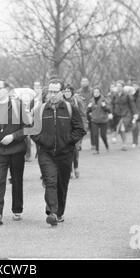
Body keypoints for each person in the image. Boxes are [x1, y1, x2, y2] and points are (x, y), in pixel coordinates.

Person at [31, 79, 86, 226]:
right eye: (50, 91)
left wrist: (68, 141)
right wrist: (43, 141)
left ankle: (59, 212)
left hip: (65, 153)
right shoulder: (41, 109)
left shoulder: (70, 108)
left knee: (62, 184)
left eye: (56, 91)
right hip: (46, 153)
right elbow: (32, 130)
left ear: (62, 92)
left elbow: (80, 129)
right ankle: (52, 213)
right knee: (50, 181)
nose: (52, 94)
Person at [0, 79, 30, 225]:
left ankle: (17, 209)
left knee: (16, 180)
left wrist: (13, 136)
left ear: (7, 90)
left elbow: (28, 127)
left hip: (16, 149)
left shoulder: (18, 106)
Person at [63, 84, 85, 178]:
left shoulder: (77, 101)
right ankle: (69, 171)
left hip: (76, 128)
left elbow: (83, 115)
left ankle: (76, 167)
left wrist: (83, 128)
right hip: (65, 129)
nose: (67, 93)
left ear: (72, 92)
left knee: (75, 149)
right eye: (65, 91)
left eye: (68, 91)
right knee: (67, 150)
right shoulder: (61, 102)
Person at [111, 80, 138, 151]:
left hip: (126, 114)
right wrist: (110, 113)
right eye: (117, 86)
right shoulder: (114, 95)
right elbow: (112, 104)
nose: (118, 88)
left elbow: (132, 105)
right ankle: (122, 142)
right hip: (117, 114)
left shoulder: (127, 95)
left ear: (123, 87)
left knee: (122, 126)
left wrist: (135, 113)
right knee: (121, 129)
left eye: (120, 86)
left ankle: (122, 143)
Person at [86, 87, 111, 154]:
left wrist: (104, 107)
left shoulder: (103, 100)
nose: (96, 93)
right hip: (94, 120)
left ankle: (107, 146)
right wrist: (88, 109)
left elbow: (109, 110)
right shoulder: (91, 100)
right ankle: (97, 150)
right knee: (95, 135)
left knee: (103, 135)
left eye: (97, 92)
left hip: (103, 120)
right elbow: (88, 111)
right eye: (94, 92)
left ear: (100, 93)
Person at [77, 77, 93, 149]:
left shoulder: (92, 91)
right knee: (82, 128)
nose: (84, 83)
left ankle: (93, 144)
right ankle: (79, 143)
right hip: (82, 113)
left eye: (85, 81)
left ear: (88, 82)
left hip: (91, 112)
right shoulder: (78, 92)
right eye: (83, 81)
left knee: (93, 129)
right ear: (81, 83)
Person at [131, 81, 140, 147]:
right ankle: (134, 142)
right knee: (134, 128)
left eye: (136, 86)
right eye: (133, 86)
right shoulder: (131, 95)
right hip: (135, 114)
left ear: (138, 86)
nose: (134, 87)